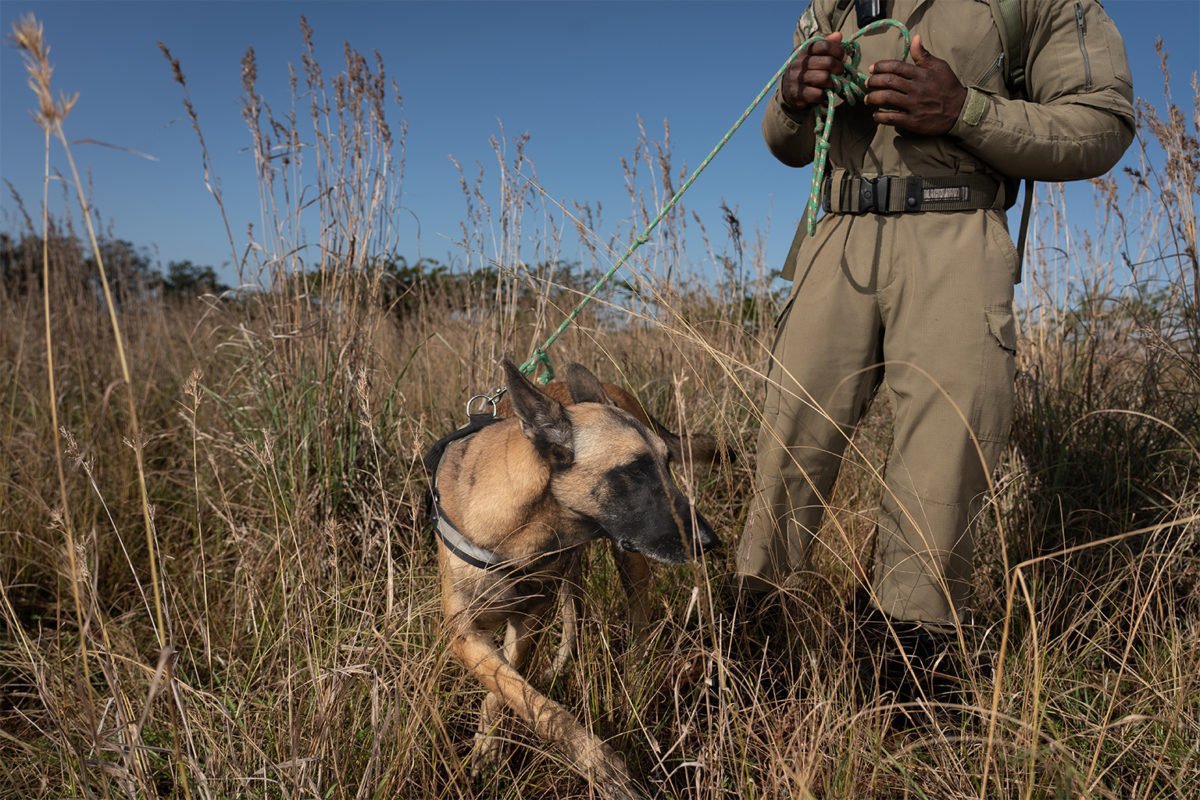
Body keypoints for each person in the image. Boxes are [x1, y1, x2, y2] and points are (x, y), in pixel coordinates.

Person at [736, 0, 1134, 697]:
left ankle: (906, 684)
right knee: (784, 450)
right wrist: (792, 98)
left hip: (957, 229)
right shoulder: (828, 6)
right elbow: (789, 143)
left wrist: (965, 112)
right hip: (835, 236)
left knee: (943, 469)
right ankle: (745, 658)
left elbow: (1102, 123)